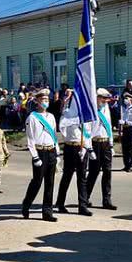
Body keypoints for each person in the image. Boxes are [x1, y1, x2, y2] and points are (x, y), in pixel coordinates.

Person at [22, 89, 60, 222]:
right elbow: (30, 140)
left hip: (51, 151)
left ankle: (47, 212)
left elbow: (54, 135)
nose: (46, 102)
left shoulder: (51, 117)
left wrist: (57, 152)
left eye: (47, 100)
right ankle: (26, 205)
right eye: (43, 100)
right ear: (37, 101)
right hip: (39, 152)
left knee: (50, 183)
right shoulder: (32, 117)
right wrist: (35, 156)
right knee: (37, 182)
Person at [55, 99, 94, 217]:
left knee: (82, 178)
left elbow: (88, 133)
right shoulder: (67, 113)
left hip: (82, 148)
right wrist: (75, 121)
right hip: (70, 147)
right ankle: (60, 203)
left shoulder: (86, 115)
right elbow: (62, 127)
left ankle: (82, 206)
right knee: (67, 176)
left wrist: (87, 147)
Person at [87, 88, 117, 210]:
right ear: (97, 98)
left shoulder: (106, 109)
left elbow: (108, 126)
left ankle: (107, 200)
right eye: (103, 98)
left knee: (107, 172)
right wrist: (89, 147)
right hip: (95, 143)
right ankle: (85, 197)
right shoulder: (92, 109)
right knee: (93, 172)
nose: (105, 101)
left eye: (106, 99)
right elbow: (87, 129)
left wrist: (111, 144)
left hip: (105, 143)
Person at [120, 93, 132, 172]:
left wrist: (125, 122)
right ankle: (126, 164)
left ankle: (131, 165)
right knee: (125, 148)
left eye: (127, 98)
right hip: (124, 129)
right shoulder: (124, 109)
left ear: (131, 100)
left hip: (131, 129)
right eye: (125, 98)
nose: (125, 100)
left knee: (130, 148)